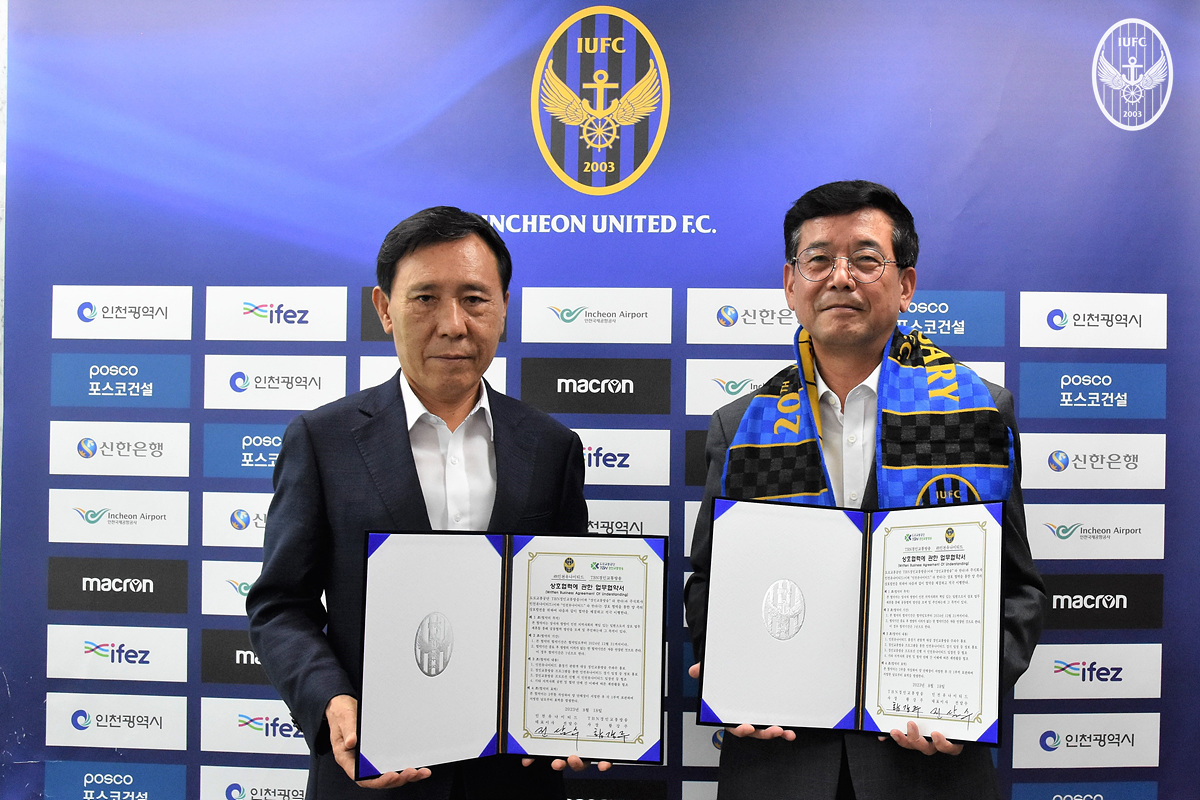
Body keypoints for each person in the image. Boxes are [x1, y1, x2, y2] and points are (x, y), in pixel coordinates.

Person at [683, 181, 1046, 800]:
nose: (840, 278)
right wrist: (730, 674)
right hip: (780, 764)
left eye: (866, 259)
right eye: (818, 259)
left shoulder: (979, 412)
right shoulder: (739, 425)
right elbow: (709, 582)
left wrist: (971, 695)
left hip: (928, 766)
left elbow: (1019, 590)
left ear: (905, 285)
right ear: (790, 284)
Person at [247, 206, 591, 799]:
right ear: (384, 308)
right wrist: (331, 701)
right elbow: (281, 604)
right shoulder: (322, 441)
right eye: (425, 298)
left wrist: (580, 708)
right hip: (371, 769)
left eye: (475, 299)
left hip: (512, 779)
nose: (453, 324)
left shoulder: (552, 447)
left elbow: (568, 607)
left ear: (504, 307)